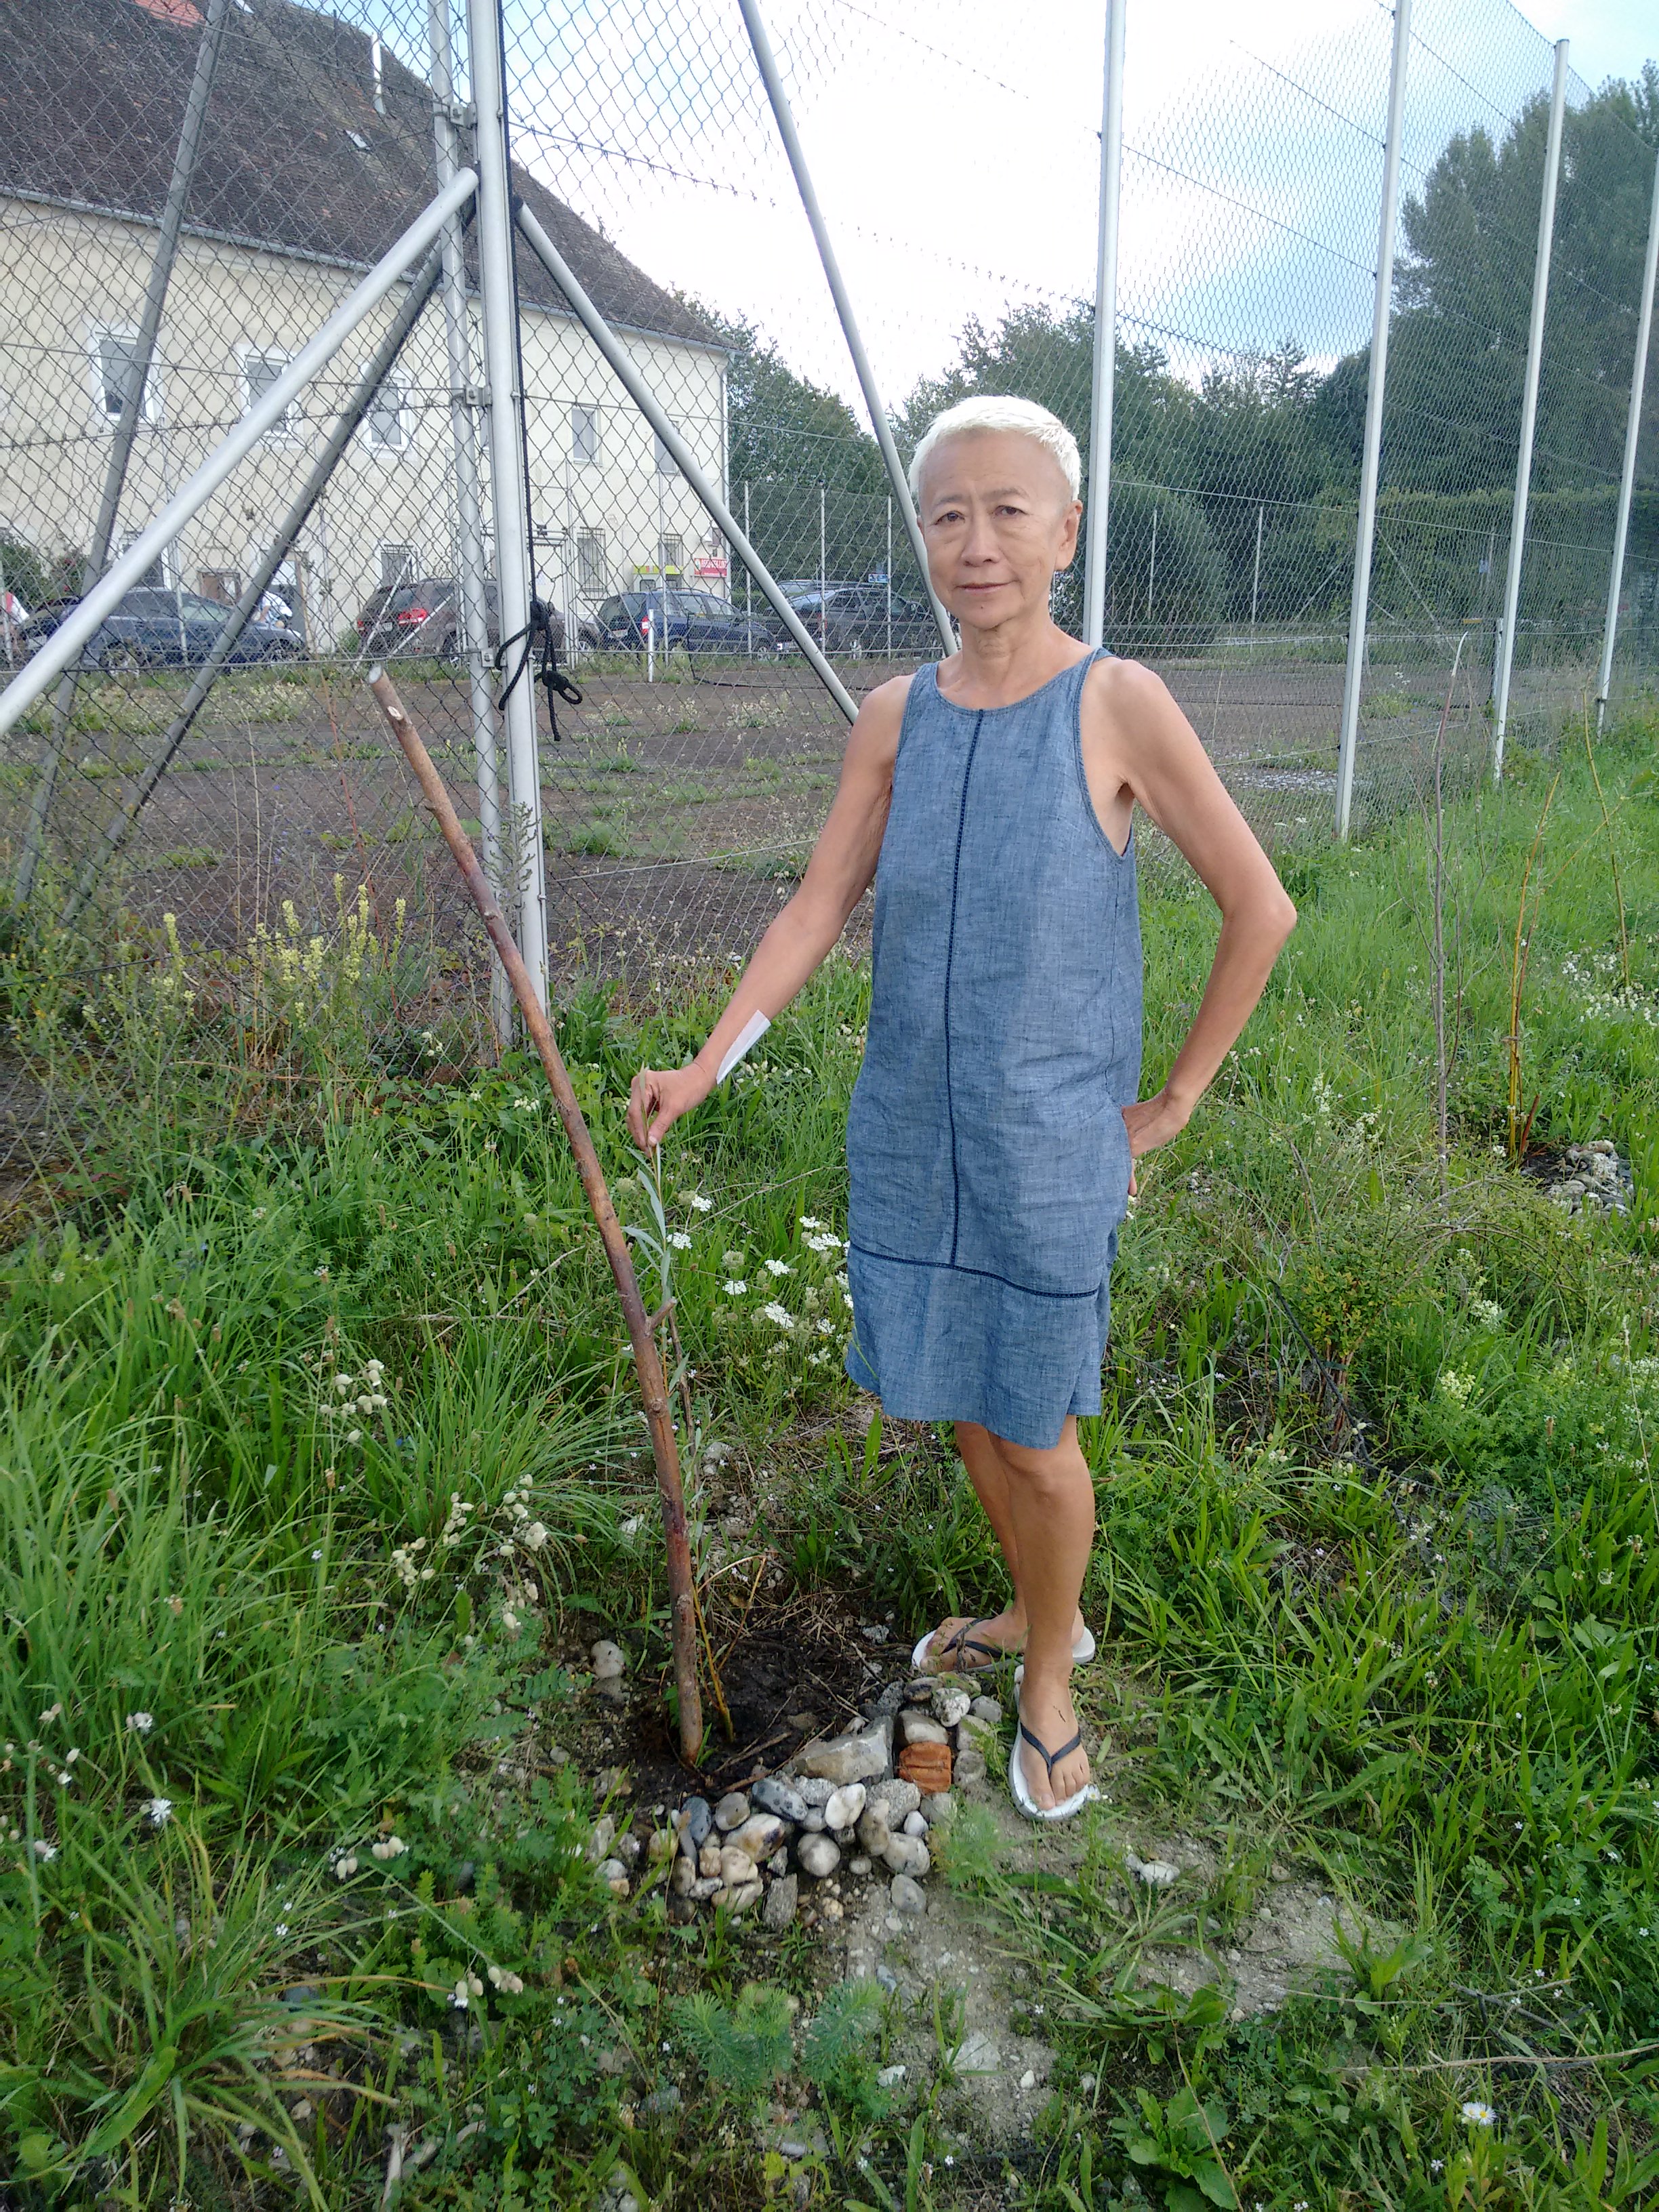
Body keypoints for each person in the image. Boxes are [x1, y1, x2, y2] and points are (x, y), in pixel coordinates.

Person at [628, 395, 1296, 1820]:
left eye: (1008, 511)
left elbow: (1262, 906)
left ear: (1066, 533)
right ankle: (1030, 1606)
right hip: (908, 1135)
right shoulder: (895, 718)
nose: (977, 542)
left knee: (1037, 1430)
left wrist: (1174, 1100)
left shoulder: (1117, 703)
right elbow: (817, 907)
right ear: (923, 535)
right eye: (948, 514)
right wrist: (705, 1063)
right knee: (962, 1403)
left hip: (1048, 1146)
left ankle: (1051, 1673)